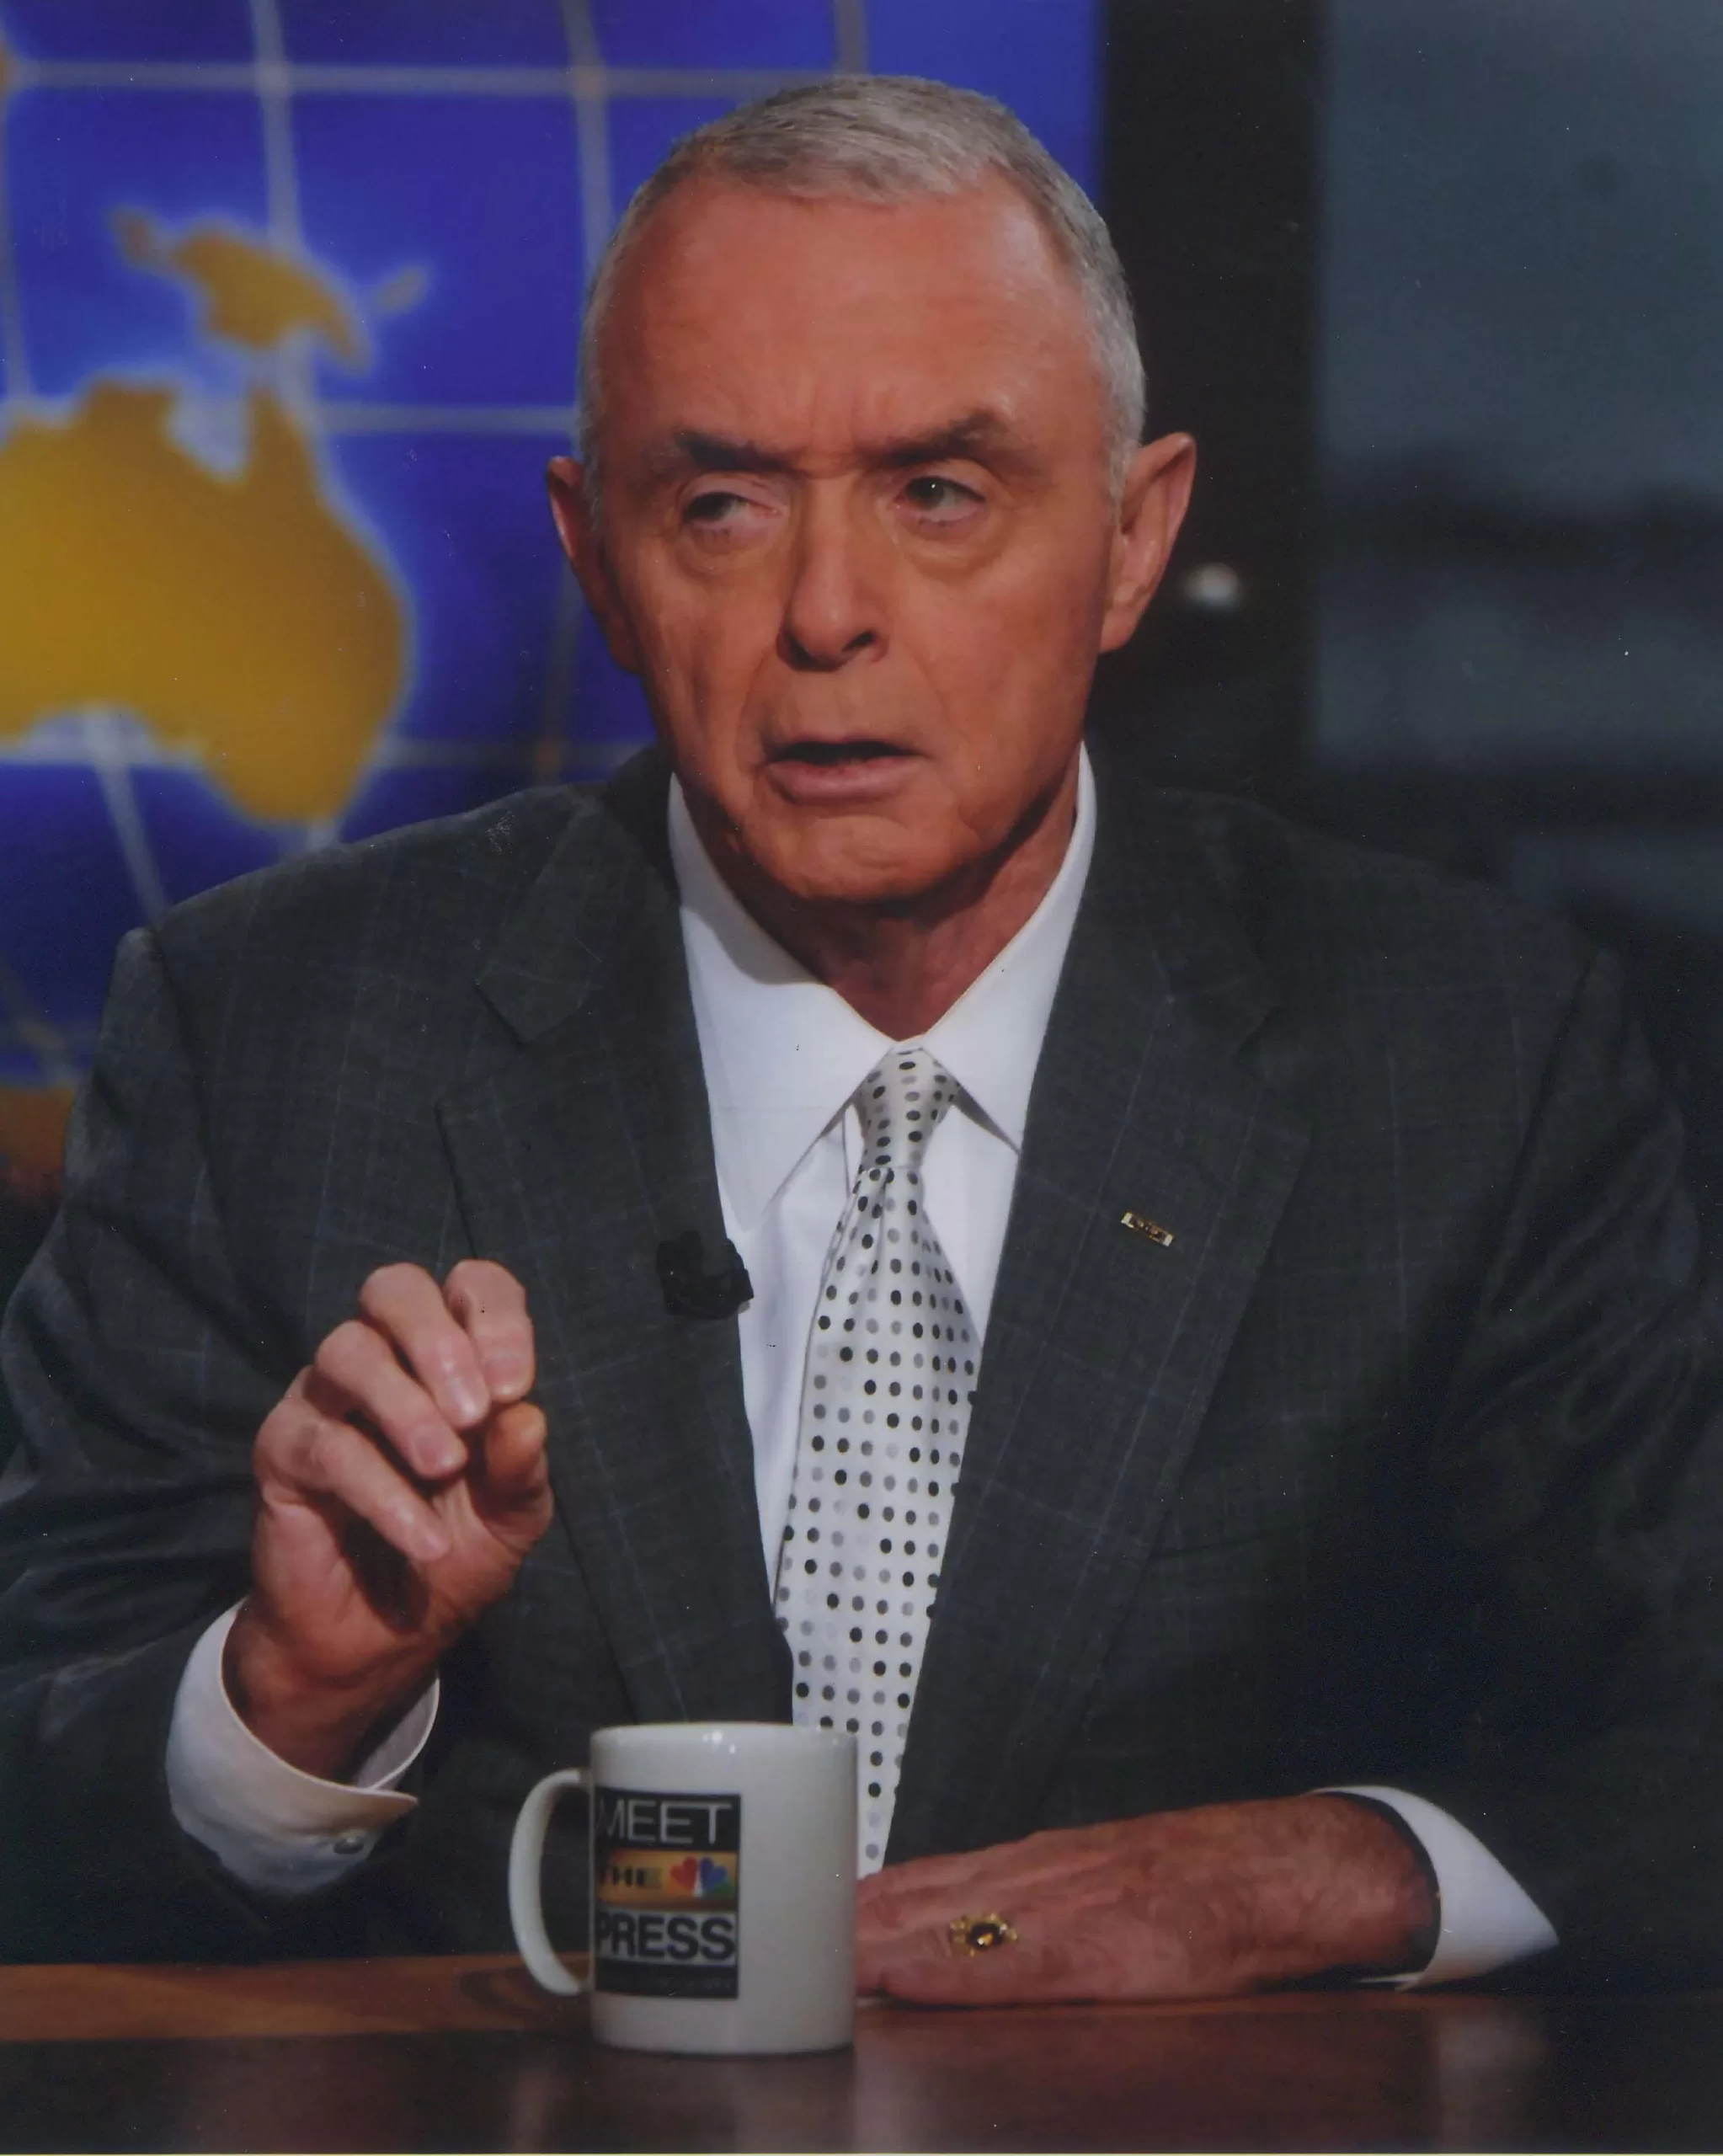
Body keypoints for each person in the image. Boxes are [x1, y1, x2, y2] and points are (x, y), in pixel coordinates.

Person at [3, 77, 1722, 1997]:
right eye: (720, 505)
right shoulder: (270, 1035)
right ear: (595, 556)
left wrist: (1328, 1869)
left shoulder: (1465, 1052)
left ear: (1133, 537)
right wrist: (287, 1700)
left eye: (938, 494)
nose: (827, 614)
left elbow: (1680, 1734)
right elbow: (32, 1773)